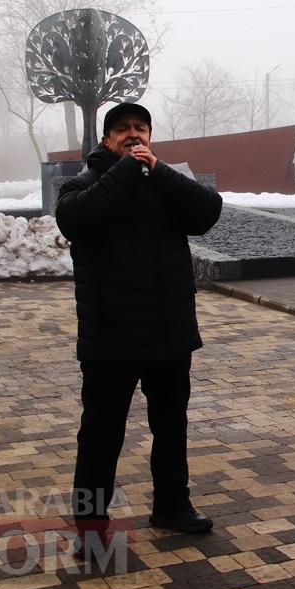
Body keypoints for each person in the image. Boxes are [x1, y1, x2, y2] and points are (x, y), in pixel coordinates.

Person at [55, 102, 223, 559]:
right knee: (100, 436)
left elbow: (208, 212)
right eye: (123, 130)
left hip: (169, 334)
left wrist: (158, 172)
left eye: (141, 129)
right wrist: (128, 171)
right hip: (111, 338)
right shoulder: (83, 185)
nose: (133, 135)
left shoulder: (163, 182)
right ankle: (90, 528)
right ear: (107, 139)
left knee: (171, 426)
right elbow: (76, 219)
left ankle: (172, 504)